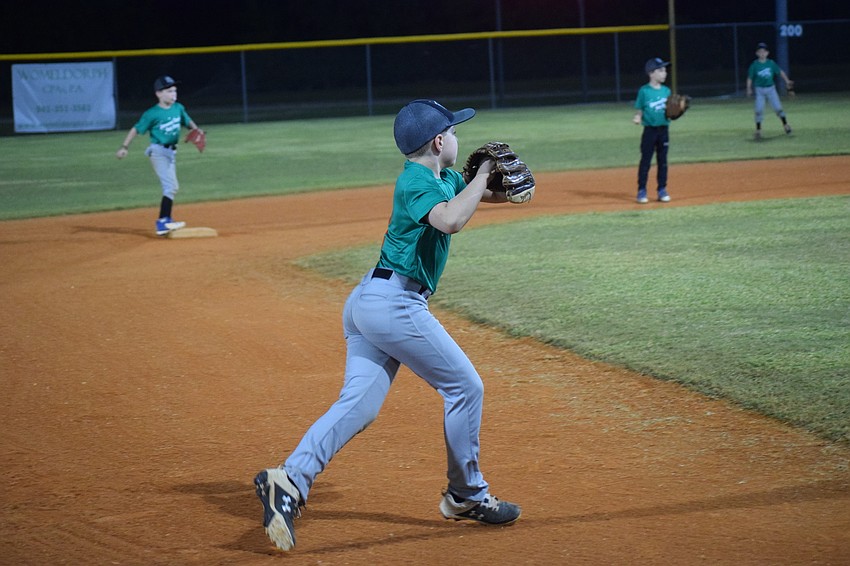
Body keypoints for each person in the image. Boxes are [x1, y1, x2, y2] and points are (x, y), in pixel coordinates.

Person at [253, 99, 522, 552]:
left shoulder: (440, 176)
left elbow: (484, 196)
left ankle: (289, 482)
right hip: (394, 304)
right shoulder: (416, 183)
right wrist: (480, 177)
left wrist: (505, 186)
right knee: (465, 388)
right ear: (439, 142)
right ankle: (466, 495)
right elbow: (451, 219)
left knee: (359, 405)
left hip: (369, 300)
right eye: (453, 131)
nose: (458, 138)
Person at [115, 76, 204, 236]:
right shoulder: (152, 113)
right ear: (159, 94)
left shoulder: (178, 108)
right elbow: (136, 129)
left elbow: (188, 121)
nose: (173, 94)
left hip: (171, 152)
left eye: (175, 90)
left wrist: (196, 131)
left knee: (173, 187)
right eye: (169, 91)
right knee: (169, 186)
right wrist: (124, 147)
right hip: (158, 152)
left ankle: (165, 221)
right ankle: (163, 222)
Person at [632, 57, 673, 204]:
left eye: (665, 70)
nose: (665, 73)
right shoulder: (644, 91)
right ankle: (641, 190)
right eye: (661, 70)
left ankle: (662, 189)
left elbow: (670, 112)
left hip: (664, 130)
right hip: (649, 131)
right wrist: (637, 118)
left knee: (663, 161)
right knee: (646, 161)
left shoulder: (667, 91)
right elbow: (640, 109)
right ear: (651, 73)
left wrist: (677, 112)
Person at [746, 42, 793, 140]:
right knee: (758, 110)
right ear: (757, 53)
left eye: (764, 51)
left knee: (778, 108)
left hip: (771, 89)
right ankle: (758, 130)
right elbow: (750, 78)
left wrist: (787, 80)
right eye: (760, 51)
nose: (762, 53)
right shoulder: (754, 65)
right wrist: (749, 88)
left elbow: (780, 72)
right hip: (759, 90)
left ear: (767, 53)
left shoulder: (771, 63)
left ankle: (786, 125)